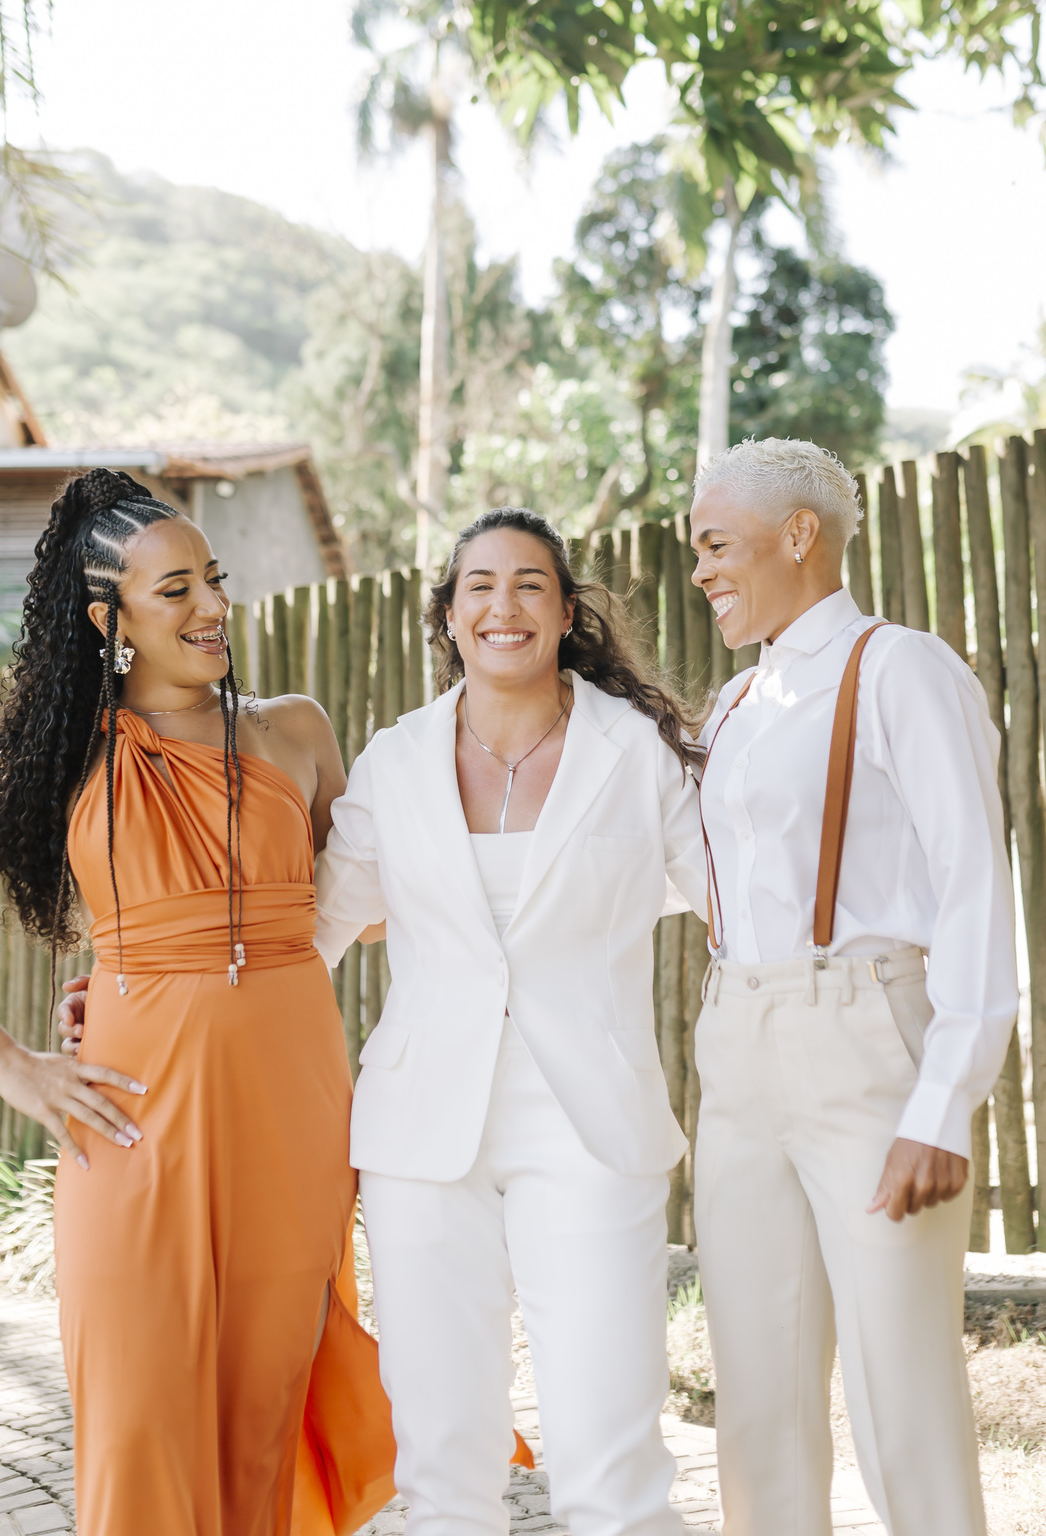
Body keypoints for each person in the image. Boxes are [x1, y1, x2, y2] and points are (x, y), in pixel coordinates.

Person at [0, 467, 395, 1536]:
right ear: (110, 618)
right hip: (131, 1122)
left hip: (292, 1116)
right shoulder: (61, 760)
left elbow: (369, 906)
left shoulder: (297, 731)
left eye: (215, 578)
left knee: (259, 1426)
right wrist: (3, 1057)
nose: (212, 606)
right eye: (176, 590)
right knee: (139, 1419)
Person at [313, 507, 708, 1536]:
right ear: (447, 616)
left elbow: (739, 902)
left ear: (568, 612)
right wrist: (142, 990)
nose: (504, 606)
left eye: (531, 584)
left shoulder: (638, 753)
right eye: (479, 586)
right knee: (441, 1456)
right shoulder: (395, 760)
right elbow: (311, 932)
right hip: (420, 1137)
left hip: (593, 1126)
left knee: (609, 1451)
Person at [689, 437, 1019, 1536]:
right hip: (738, 1046)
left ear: (801, 535)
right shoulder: (736, 703)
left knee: (900, 1394)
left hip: (866, 1038)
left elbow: (973, 886)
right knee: (758, 1397)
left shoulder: (901, 669)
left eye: (716, 544)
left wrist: (943, 1104)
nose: (702, 570)